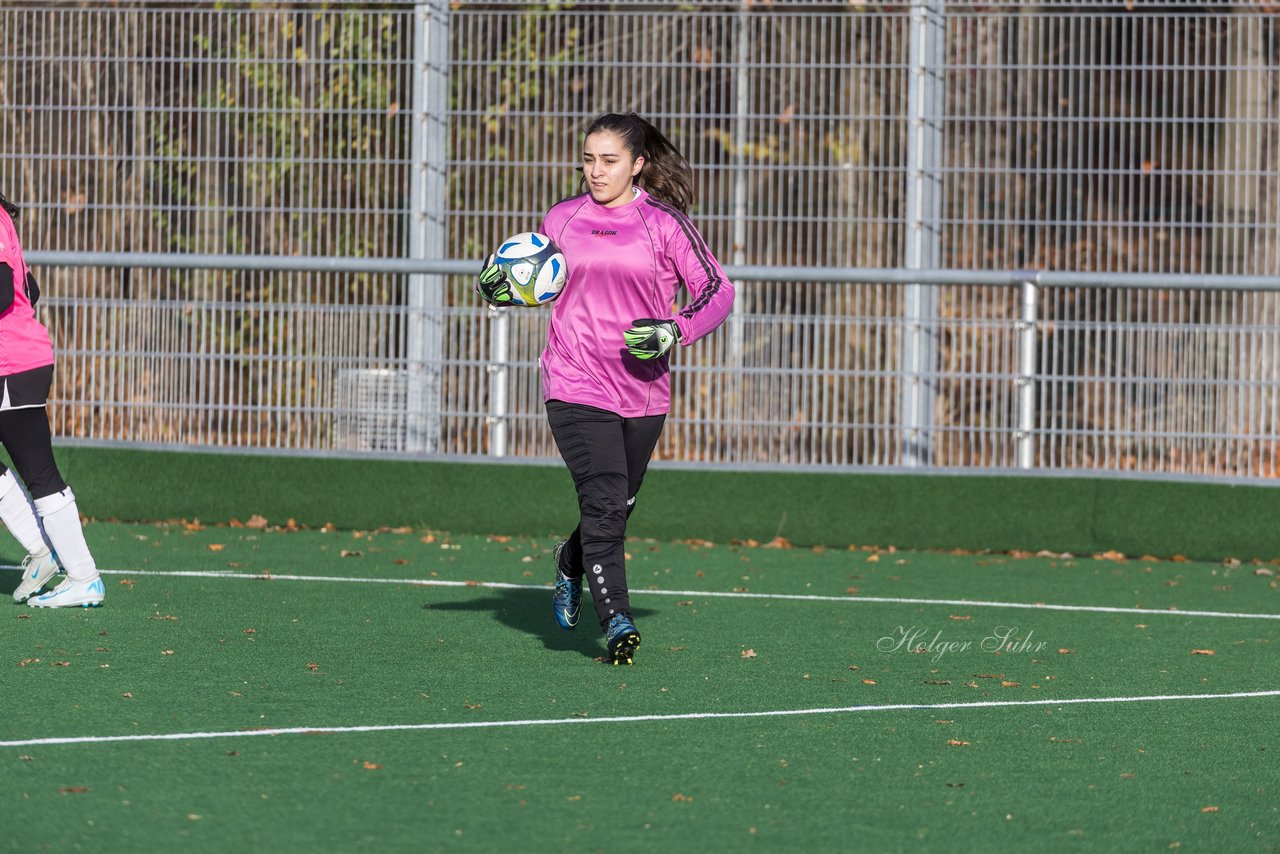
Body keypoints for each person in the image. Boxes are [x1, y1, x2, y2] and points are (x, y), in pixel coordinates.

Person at [477, 112, 735, 665]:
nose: (595, 170)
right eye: (589, 159)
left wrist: (675, 328)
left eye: (609, 160)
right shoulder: (562, 218)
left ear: (638, 165)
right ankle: (616, 617)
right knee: (603, 499)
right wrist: (504, 287)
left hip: (643, 391)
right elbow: (535, 277)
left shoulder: (664, 224)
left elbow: (718, 290)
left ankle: (571, 560)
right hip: (572, 381)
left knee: (617, 504)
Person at [0, 193, 104, 608]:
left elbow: (3, 295)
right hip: (19, 358)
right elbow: (30, 290)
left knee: (41, 475)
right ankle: (47, 557)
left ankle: (82, 575)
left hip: (12, 363)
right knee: (40, 473)